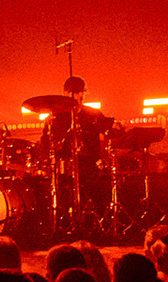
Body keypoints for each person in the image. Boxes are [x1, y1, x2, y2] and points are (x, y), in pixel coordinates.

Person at [41, 76, 114, 230]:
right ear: (67, 93)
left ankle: (99, 220)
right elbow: (45, 144)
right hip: (64, 166)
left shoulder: (94, 114)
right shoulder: (54, 118)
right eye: (76, 93)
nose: (80, 96)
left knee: (102, 184)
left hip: (91, 165)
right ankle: (63, 221)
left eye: (81, 93)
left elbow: (108, 134)